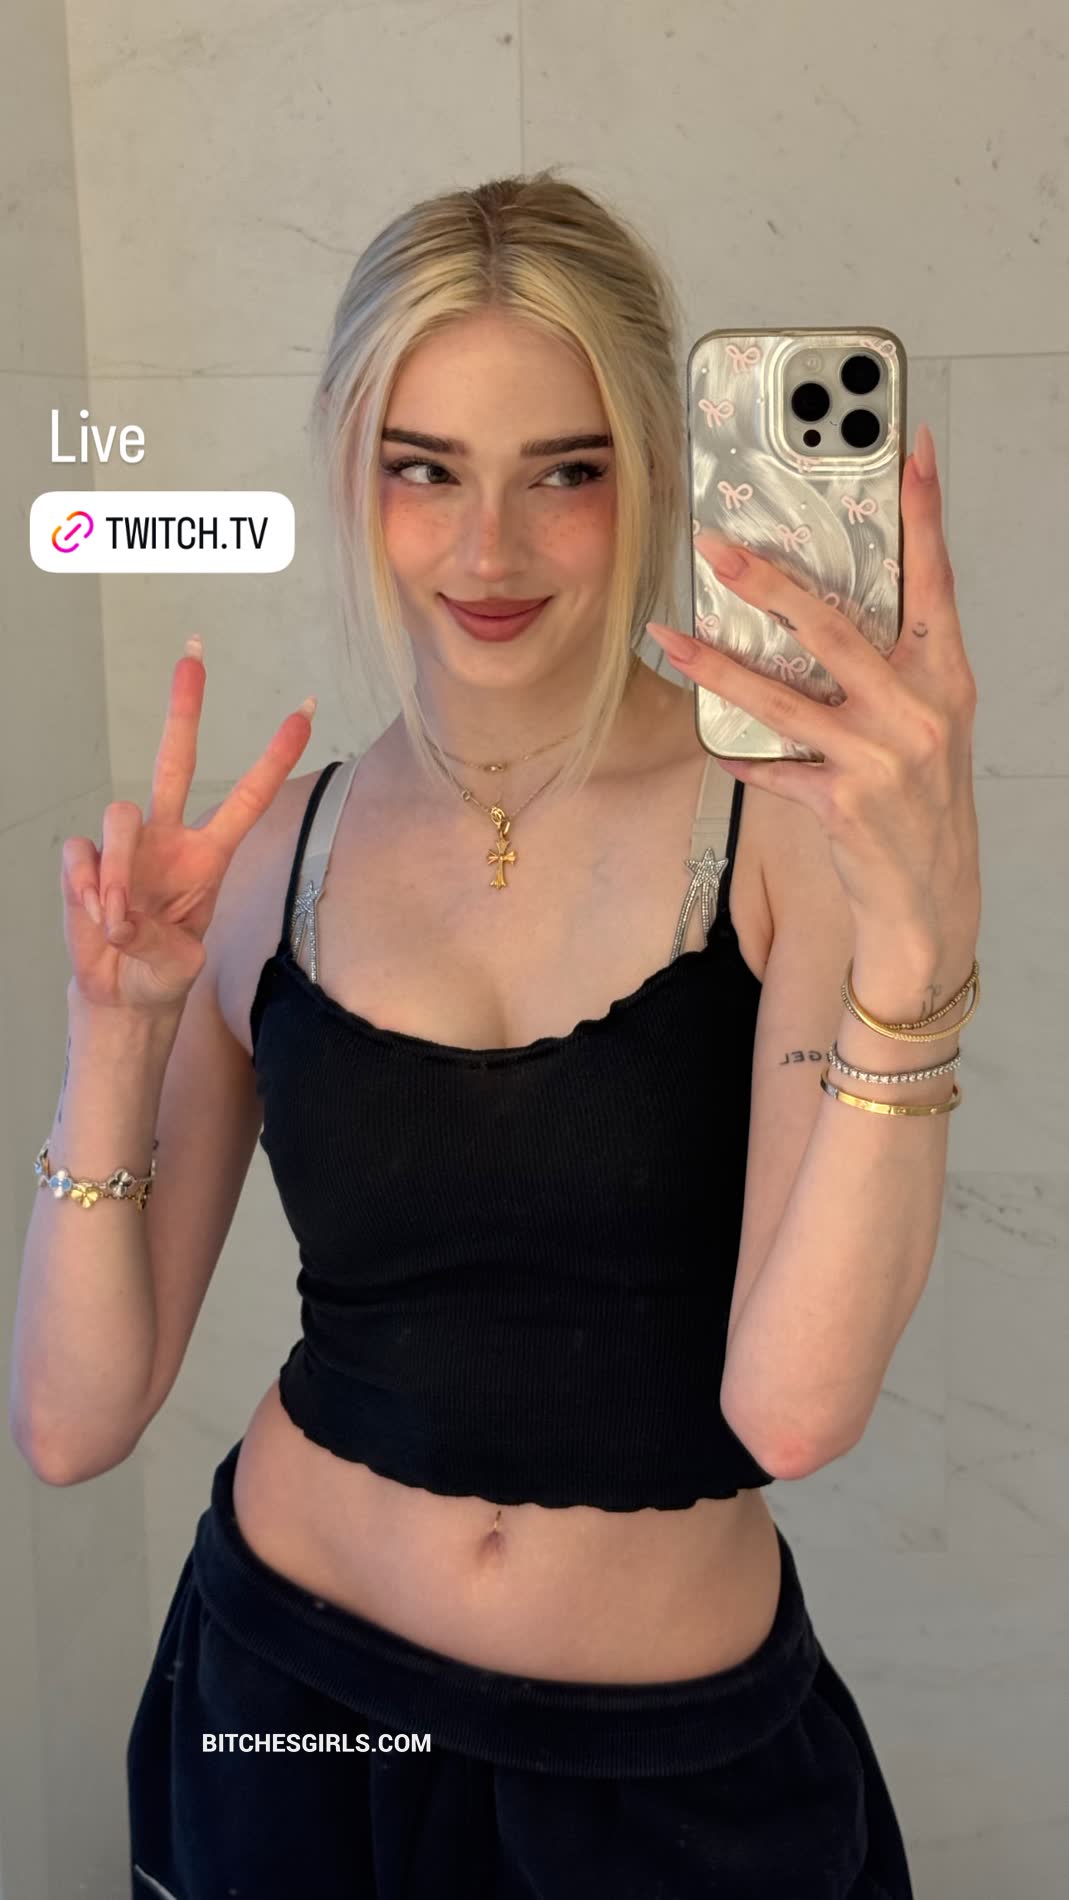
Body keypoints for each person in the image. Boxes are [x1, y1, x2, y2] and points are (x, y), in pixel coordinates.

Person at [15, 169, 977, 1898]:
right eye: (425, 469)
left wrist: (919, 941)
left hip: (663, 1781)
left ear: (654, 470)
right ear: (354, 471)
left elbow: (791, 1412)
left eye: (565, 472)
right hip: (286, 1715)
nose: (486, 551)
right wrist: (112, 1035)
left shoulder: (780, 838)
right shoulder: (271, 855)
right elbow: (73, 1427)